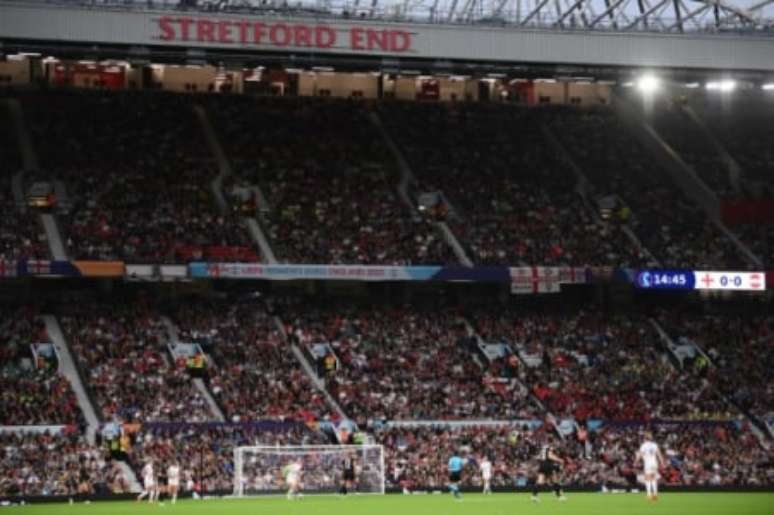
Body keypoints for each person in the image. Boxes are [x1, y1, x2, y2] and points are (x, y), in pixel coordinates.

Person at [635, 431, 665, 501]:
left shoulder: (644, 445)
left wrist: (635, 462)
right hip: (654, 463)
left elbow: (639, 455)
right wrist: (662, 463)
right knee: (654, 479)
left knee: (647, 479)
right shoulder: (655, 445)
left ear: (645, 438)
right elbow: (659, 455)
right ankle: (655, 495)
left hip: (648, 463)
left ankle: (649, 495)